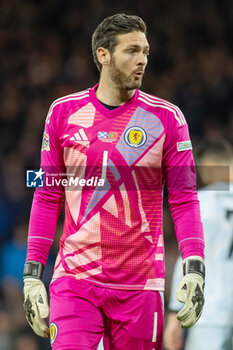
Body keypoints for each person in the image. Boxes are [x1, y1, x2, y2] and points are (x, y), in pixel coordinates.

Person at [23, 13, 205, 350]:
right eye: (132, 51)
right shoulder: (63, 112)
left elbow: (183, 197)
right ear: (103, 55)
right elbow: (49, 193)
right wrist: (32, 276)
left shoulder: (167, 118)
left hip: (140, 285)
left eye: (146, 52)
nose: (142, 61)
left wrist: (195, 266)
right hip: (75, 281)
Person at [164, 140, 233, 350]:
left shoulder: (197, 202)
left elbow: (188, 260)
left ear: (209, 167)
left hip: (209, 312)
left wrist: (175, 312)